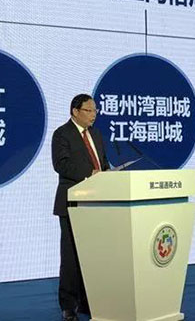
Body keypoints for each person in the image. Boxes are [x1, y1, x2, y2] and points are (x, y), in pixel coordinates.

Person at [52, 94, 110, 321]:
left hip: (97, 204)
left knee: (93, 256)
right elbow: (61, 165)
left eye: (95, 111)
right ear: (75, 111)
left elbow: (102, 164)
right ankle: (69, 306)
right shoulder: (62, 134)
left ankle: (89, 302)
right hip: (72, 204)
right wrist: (90, 173)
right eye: (89, 110)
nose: (93, 115)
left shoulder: (96, 134)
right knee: (71, 257)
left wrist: (108, 174)